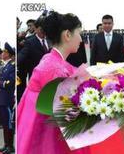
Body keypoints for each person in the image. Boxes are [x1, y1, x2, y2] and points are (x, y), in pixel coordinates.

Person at [17, 11, 90, 154]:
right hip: (48, 141)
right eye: (79, 33)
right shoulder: (54, 69)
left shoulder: (52, 60)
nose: (81, 39)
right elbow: (68, 113)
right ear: (67, 35)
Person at [17, 15, 49, 103]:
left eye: (45, 28)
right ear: (36, 28)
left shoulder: (50, 40)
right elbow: (22, 55)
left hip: (50, 79)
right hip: (36, 79)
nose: (43, 30)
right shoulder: (30, 42)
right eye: (40, 28)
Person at [0, 42, 16, 153]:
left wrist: (0, 84)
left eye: (4, 52)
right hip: (1, 97)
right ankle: (6, 144)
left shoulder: (12, 66)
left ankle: (10, 146)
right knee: (4, 122)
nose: (2, 53)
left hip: (7, 98)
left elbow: (11, 82)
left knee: (8, 123)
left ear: (9, 54)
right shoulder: (4, 66)